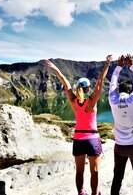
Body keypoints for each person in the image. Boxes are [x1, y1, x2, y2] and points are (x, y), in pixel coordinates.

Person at [44, 55, 112, 195]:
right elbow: (100, 81)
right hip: (92, 139)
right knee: (95, 171)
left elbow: (64, 82)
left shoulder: (73, 100)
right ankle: (95, 193)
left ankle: (81, 192)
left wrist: (56, 68)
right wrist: (107, 63)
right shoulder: (91, 102)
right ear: (88, 89)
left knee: (79, 171)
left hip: (78, 139)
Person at [108, 54, 133, 195]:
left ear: (120, 90)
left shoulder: (113, 100)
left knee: (117, 177)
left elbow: (112, 84)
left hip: (119, 146)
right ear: (130, 90)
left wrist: (118, 66)